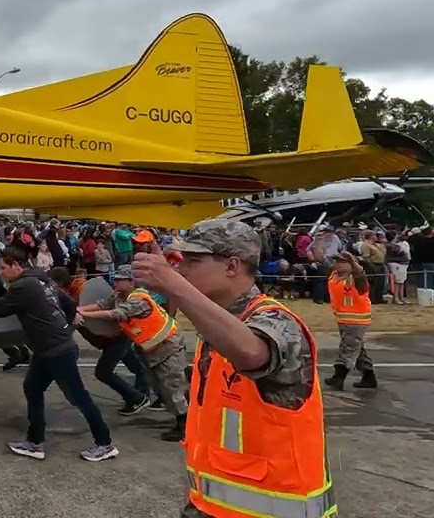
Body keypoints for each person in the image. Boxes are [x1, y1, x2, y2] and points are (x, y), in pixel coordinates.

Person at [132, 219, 336, 518]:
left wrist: (174, 285)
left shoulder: (276, 321)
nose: (181, 269)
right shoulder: (218, 327)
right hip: (213, 505)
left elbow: (253, 353)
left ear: (231, 266)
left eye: (194, 260)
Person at [0, 247, 118, 463]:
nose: (1, 272)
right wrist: (66, 329)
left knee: (79, 397)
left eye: (3, 268)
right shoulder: (42, 279)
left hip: (56, 352)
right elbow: (69, 304)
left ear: (16, 266)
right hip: (50, 349)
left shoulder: (23, 286)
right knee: (32, 388)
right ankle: (35, 443)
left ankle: (105, 444)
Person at [78, 265, 188, 441]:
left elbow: (116, 314)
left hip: (168, 346)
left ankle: (185, 425)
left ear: (130, 282)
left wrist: (85, 314)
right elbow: (102, 305)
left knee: (172, 387)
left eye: (120, 280)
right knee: (160, 385)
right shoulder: (120, 296)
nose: (115, 283)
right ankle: (180, 411)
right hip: (153, 350)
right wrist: (81, 309)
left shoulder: (138, 299)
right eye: (115, 279)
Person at [325, 251, 376, 390]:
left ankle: (338, 377)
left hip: (356, 320)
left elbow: (360, 273)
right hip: (343, 319)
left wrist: (353, 262)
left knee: (347, 348)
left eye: (342, 262)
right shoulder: (335, 276)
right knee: (357, 349)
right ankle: (369, 375)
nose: (338, 265)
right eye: (337, 262)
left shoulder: (357, 278)